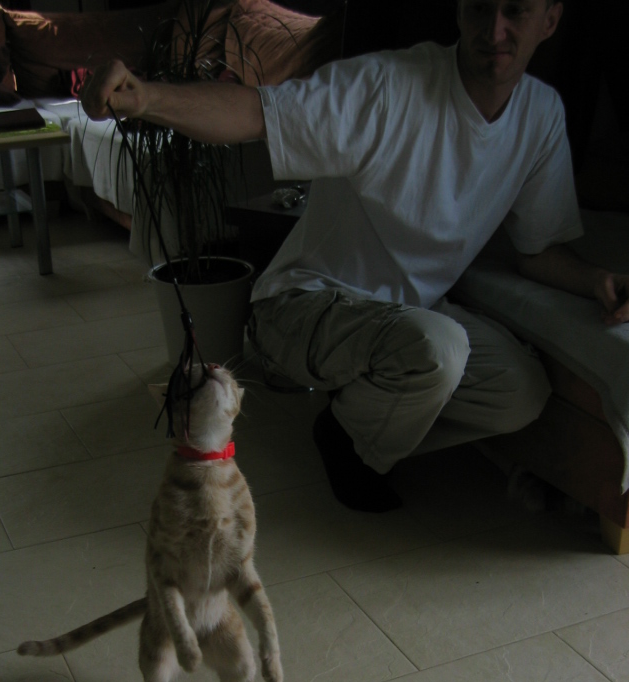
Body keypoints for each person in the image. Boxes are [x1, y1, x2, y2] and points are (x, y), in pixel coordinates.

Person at [81, 0, 629, 512]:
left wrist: (597, 280)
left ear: (550, 20)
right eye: (481, 7)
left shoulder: (541, 113)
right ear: (460, 10)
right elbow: (256, 113)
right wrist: (147, 97)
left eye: (516, 11)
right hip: (304, 302)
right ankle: (345, 440)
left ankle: (360, 416)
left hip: (409, 320)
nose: (496, 29)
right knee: (438, 347)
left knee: (520, 392)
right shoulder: (389, 86)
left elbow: (538, 249)